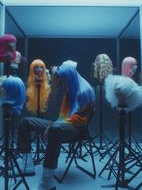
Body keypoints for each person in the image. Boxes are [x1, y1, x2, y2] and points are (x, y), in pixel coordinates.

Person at [16, 61, 95, 190]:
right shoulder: (71, 87)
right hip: (62, 124)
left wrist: (52, 127)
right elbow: (63, 116)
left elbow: (79, 120)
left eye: (63, 81)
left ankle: (47, 181)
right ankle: (27, 165)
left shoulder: (85, 91)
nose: (62, 84)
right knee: (25, 122)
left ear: (69, 78)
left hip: (77, 128)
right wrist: (54, 125)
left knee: (54, 129)